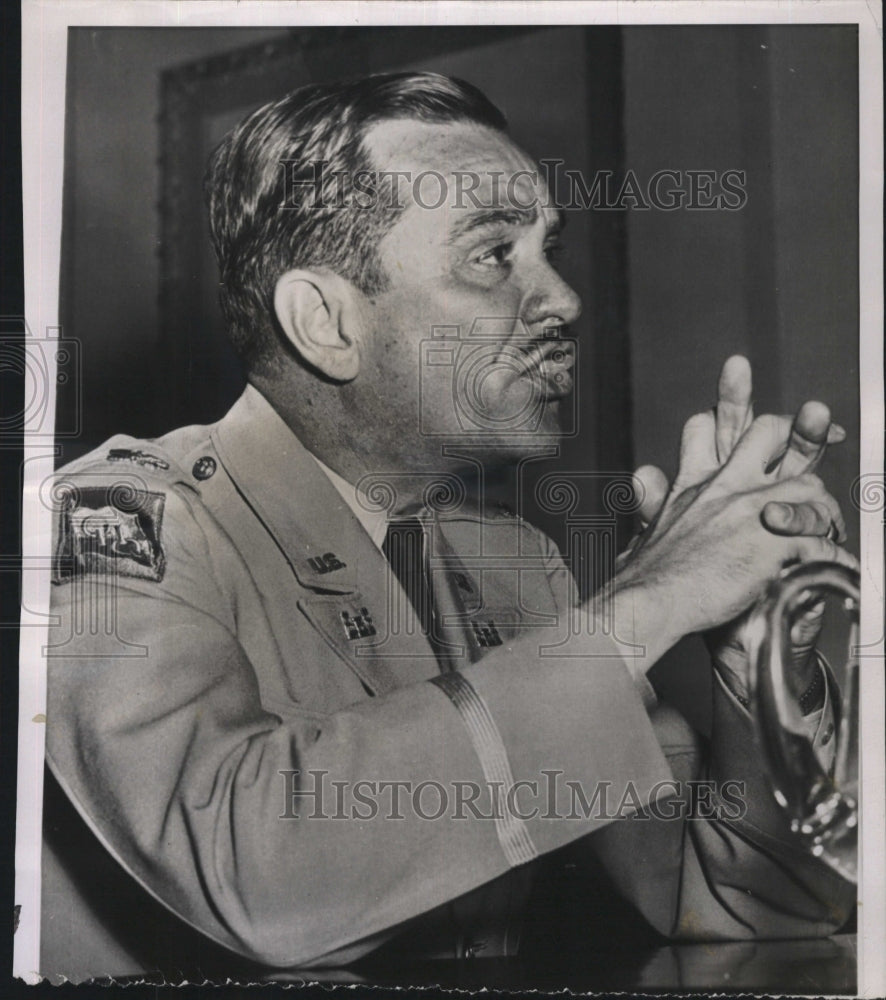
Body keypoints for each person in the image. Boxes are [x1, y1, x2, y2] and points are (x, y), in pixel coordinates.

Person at [41, 72, 856, 983]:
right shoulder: (114, 522)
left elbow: (725, 909)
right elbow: (253, 870)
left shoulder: (515, 565)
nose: (563, 299)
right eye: (493, 254)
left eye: (549, 248)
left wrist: (760, 676)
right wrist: (639, 610)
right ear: (326, 322)